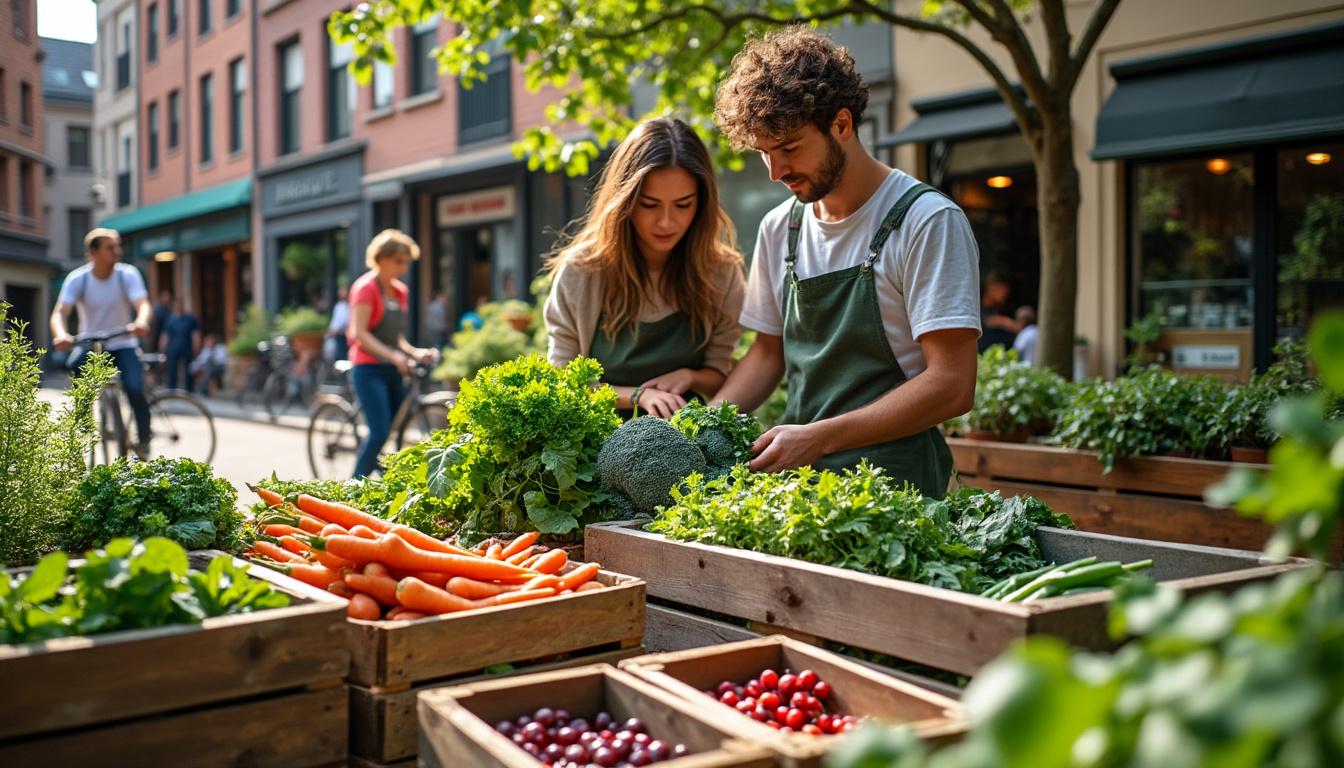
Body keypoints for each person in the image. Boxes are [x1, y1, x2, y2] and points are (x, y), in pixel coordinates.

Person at [709, 27, 980, 498]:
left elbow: (952, 384)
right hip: (801, 490)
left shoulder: (926, 221)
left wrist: (819, 437)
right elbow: (766, 356)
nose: (777, 173)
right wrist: (700, 427)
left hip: (900, 490)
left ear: (841, 124)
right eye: (764, 155)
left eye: (790, 148)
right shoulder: (781, 227)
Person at [544, 117, 745, 419]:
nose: (666, 222)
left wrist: (691, 376)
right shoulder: (582, 272)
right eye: (650, 205)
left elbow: (720, 371)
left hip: (687, 440)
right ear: (624, 201)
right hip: (594, 445)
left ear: (702, 203)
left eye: (683, 205)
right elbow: (563, 381)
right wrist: (638, 395)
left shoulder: (721, 272)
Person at [50, 228, 154, 456]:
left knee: (135, 388)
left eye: (118, 246)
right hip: (90, 343)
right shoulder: (79, 279)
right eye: (110, 247)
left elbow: (143, 304)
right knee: (75, 369)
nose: (117, 251)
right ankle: (82, 429)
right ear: (93, 252)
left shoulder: (127, 274)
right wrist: (61, 334)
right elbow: (60, 312)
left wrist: (141, 321)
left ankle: (144, 439)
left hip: (123, 343)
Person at [347, 229, 440, 478]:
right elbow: (360, 333)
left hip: (392, 367)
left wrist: (414, 353)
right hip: (368, 369)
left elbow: (396, 336)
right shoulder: (365, 288)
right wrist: (394, 356)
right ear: (381, 258)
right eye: (399, 261)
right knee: (378, 433)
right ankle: (352, 488)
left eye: (406, 262)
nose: (403, 267)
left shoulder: (400, 291)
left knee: (393, 428)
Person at [159, 297, 201, 392]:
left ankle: (189, 389)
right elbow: (165, 335)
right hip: (173, 348)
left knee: (189, 369)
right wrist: (162, 347)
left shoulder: (190, 318)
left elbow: (195, 334)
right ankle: (172, 389)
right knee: (172, 368)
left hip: (187, 347)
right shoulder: (170, 319)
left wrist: (196, 347)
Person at [978, 272, 1017, 352]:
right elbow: (988, 320)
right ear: (992, 287)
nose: (1005, 294)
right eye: (1002, 290)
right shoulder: (979, 310)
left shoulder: (1004, 310)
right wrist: (1006, 322)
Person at [324, 286, 350, 364]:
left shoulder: (350, 305)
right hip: (339, 335)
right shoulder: (338, 306)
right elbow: (335, 322)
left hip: (345, 335)